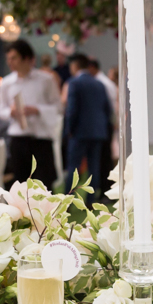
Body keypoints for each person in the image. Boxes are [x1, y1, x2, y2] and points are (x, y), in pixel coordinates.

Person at [0, 39, 61, 186]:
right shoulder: (7, 83)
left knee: (44, 183)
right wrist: (11, 112)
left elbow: (58, 107)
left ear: (26, 58)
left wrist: (37, 110)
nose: (10, 62)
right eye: (8, 59)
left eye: (14, 58)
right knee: (20, 183)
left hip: (40, 138)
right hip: (18, 138)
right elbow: (1, 110)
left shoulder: (46, 80)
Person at [62, 53, 113, 199]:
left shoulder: (74, 83)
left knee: (74, 168)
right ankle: (90, 200)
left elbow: (71, 110)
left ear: (75, 65)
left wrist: (69, 130)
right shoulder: (99, 84)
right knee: (94, 167)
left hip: (79, 132)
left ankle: (68, 200)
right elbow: (107, 109)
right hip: (97, 132)